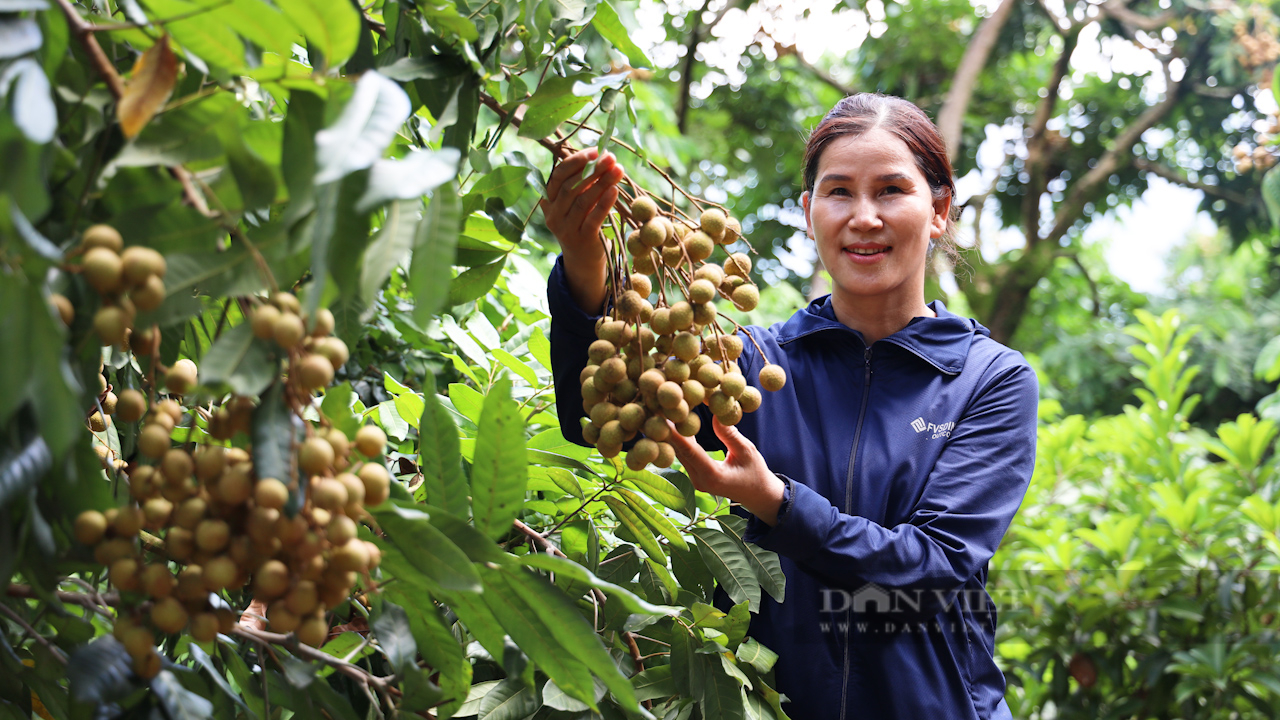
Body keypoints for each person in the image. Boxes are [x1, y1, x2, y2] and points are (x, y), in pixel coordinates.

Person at [542, 93, 1038, 720]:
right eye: (838, 192)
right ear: (809, 212)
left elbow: (936, 568)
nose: (863, 217)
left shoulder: (989, 379)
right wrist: (586, 264)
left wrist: (776, 503)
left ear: (939, 210)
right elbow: (606, 424)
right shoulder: (742, 360)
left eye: (890, 190)